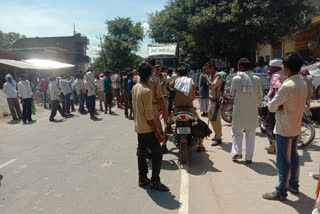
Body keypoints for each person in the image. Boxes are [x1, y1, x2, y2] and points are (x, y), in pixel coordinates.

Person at [263, 52, 307, 201]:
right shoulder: (302, 82)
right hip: (295, 125)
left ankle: (281, 190)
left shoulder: (287, 85)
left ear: (287, 68)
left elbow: (272, 106)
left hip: (284, 127)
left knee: (283, 161)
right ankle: (293, 184)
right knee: (294, 157)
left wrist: (278, 106)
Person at [132, 61, 169, 192]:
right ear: (149, 74)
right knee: (157, 153)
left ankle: (142, 178)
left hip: (139, 127)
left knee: (141, 153)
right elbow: (149, 117)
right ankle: (155, 181)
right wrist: (157, 133)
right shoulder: (147, 91)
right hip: (147, 128)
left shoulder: (135, 87)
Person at [164, 66, 206, 152]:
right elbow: (193, 97)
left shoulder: (173, 82)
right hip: (190, 109)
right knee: (199, 125)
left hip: (177, 110)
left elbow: (168, 92)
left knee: (167, 126)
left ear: (178, 74)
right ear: (187, 74)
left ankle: (164, 145)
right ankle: (201, 145)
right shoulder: (192, 83)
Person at [231, 58, 262, 164]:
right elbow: (260, 95)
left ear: (240, 66)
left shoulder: (236, 78)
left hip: (239, 109)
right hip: (252, 109)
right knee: (251, 133)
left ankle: (237, 152)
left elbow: (232, 93)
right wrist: (258, 106)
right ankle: (248, 158)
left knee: (236, 131)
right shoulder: (257, 79)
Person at [264, 59, 286, 154]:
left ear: (275, 67)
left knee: (268, 124)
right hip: (284, 103)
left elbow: (277, 87)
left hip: (275, 104)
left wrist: (273, 99)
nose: (269, 68)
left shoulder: (276, 76)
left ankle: (273, 142)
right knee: (277, 124)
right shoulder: (284, 74)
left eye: (270, 66)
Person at [147, 58, 168, 153]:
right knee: (154, 125)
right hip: (155, 102)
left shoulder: (163, 76)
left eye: (159, 67)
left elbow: (165, 86)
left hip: (163, 100)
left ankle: (164, 144)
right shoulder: (151, 77)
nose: (158, 68)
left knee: (165, 121)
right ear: (154, 67)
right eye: (156, 67)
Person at [204, 61, 224, 146]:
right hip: (211, 101)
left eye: (208, 68)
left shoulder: (218, 76)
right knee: (211, 118)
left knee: (217, 120)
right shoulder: (211, 75)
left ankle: (219, 138)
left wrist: (207, 79)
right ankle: (216, 133)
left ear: (212, 68)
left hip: (216, 102)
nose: (207, 70)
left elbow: (212, 85)